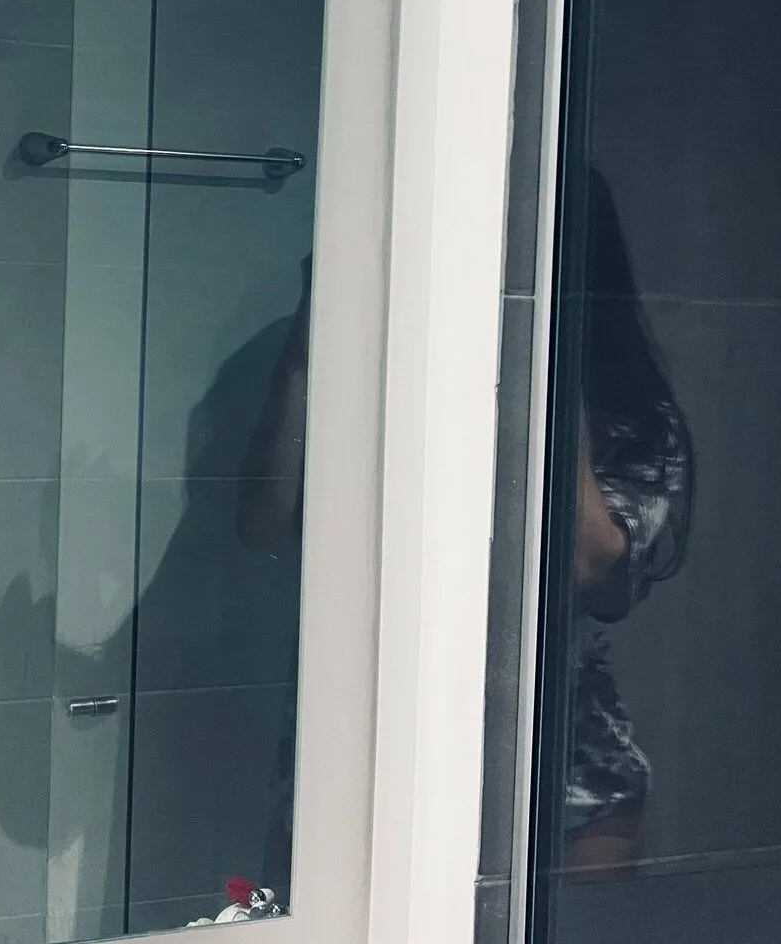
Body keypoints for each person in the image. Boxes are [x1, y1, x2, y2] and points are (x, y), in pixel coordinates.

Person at [238, 167, 693, 882]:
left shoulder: (627, 411)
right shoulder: (382, 386)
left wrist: (547, 352)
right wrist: (311, 339)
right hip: (361, 758)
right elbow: (264, 522)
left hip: (559, 773)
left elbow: (589, 568)